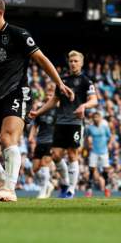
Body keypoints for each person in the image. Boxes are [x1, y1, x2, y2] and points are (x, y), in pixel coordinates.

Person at [0, 0, 74, 202]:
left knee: (7, 137)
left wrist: (59, 83)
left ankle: (9, 189)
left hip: (18, 93)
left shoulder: (18, 34)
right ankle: (3, 177)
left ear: (0, 13)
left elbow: (41, 59)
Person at [30, 50, 97, 198]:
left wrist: (84, 106)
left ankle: (71, 190)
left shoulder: (86, 81)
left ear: (81, 63)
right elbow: (54, 100)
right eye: (71, 61)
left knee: (73, 154)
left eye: (76, 61)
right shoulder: (62, 80)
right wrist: (38, 112)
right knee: (55, 155)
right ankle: (66, 182)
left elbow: (94, 100)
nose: (73, 63)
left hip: (75, 122)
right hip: (60, 122)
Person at [28, 83, 56, 199]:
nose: (49, 97)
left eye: (51, 95)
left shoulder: (57, 110)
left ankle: (43, 192)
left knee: (44, 164)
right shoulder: (41, 110)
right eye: (47, 95)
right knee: (34, 169)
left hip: (51, 141)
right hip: (40, 141)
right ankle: (48, 184)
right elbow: (35, 125)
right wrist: (31, 136)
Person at [85, 112, 112, 197]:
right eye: (94, 117)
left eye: (97, 117)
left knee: (105, 170)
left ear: (100, 118)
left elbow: (110, 136)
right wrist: (88, 144)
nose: (96, 119)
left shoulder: (105, 127)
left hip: (104, 151)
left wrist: (109, 144)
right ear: (92, 118)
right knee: (92, 169)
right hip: (94, 151)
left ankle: (107, 188)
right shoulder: (90, 128)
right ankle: (89, 189)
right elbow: (86, 137)